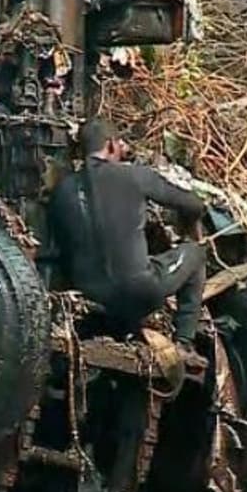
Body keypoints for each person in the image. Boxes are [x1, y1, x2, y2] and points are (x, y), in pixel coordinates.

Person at [49, 118, 208, 350]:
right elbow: (193, 205)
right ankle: (184, 342)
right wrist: (192, 226)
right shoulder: (134, 175)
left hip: (89, 296)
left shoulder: (61, 191)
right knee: (196, 253)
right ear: (111, 145)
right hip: (139, 291)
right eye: (120, 145)